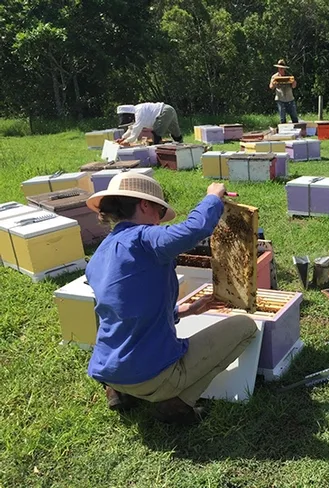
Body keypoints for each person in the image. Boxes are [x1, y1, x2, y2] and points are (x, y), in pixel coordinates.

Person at [84, 172, 257, 424]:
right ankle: (177, 402)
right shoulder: (144, 238)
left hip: (107, 368)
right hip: (149, 373)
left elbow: (124, 308)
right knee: (246, 327)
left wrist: (185, 310)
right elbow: (195, 229)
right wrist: (212, 198)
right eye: (158, 212)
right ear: (145, 205)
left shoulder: (102, 252)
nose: (158, 221)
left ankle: (119, 392)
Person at [116, 103, 183, 145]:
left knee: (156, 134)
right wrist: (123, 138)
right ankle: (182, 145)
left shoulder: (139, 114)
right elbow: (132, 128)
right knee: (176, 133)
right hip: (168, 109)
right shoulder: (136, 111)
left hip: (164, 112)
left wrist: (126, 141)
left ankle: (158, 155)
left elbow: (134, 134)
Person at [269, 59, 299, 124]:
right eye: (279, 68)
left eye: (282, 69)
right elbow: (271, 87)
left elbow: (294, 86)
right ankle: (284, 131)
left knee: (294, 117)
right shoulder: (274, 77)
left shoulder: (289, 75)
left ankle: (297, 131)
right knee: (282, 118)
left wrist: (293, 82)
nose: (281, 70)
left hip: (290, 98)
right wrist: (274, 84)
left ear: (284, 69)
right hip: (280, 99)